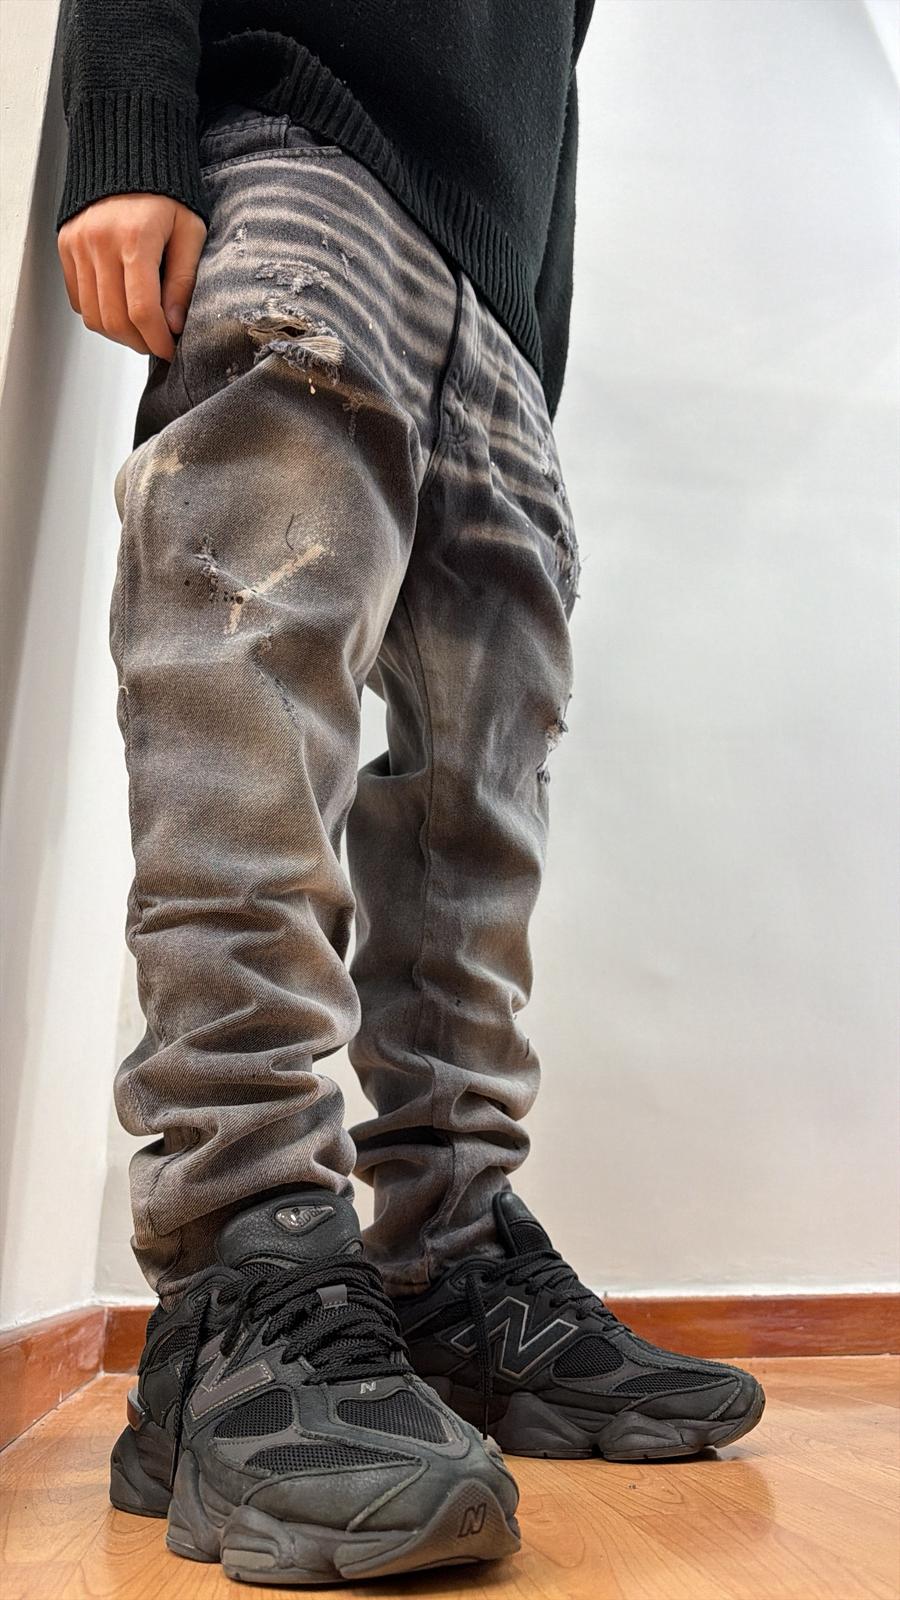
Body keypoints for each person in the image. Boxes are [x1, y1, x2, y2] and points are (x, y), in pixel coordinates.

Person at [56, 1, 764, 1584]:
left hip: (494, 306)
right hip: (302, 159)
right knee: (250, 720)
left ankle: (453, 1265)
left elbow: (543, 83)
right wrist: (129, 133)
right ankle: (238, 1279)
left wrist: (527, 339)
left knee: (483, 804)